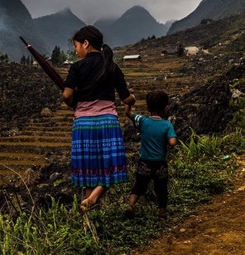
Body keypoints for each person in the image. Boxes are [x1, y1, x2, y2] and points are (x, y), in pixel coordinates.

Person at [62, 25, 136, 212]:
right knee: (112, 166)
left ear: (86, 44)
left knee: (88, 171)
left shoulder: (77, 67)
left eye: (76, 46)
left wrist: (76, 103)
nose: (76, 50)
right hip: (107, 123)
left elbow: (66, 96)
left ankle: (90, 214)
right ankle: (94, 200)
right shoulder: (111, 66)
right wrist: (132, 98)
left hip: (83, 124)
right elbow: (126, 98)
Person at [124, 90, 177, 219]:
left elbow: (128, 113)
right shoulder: (167, 125)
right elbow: (173, 142)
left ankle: (131, 205)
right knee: (161, 188)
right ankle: (162, 213)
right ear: (165, 108)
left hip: (144, 162)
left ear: (148, 107)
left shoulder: (142, 121)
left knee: (139, 185)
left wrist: (130, 100)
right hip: (160, 163)